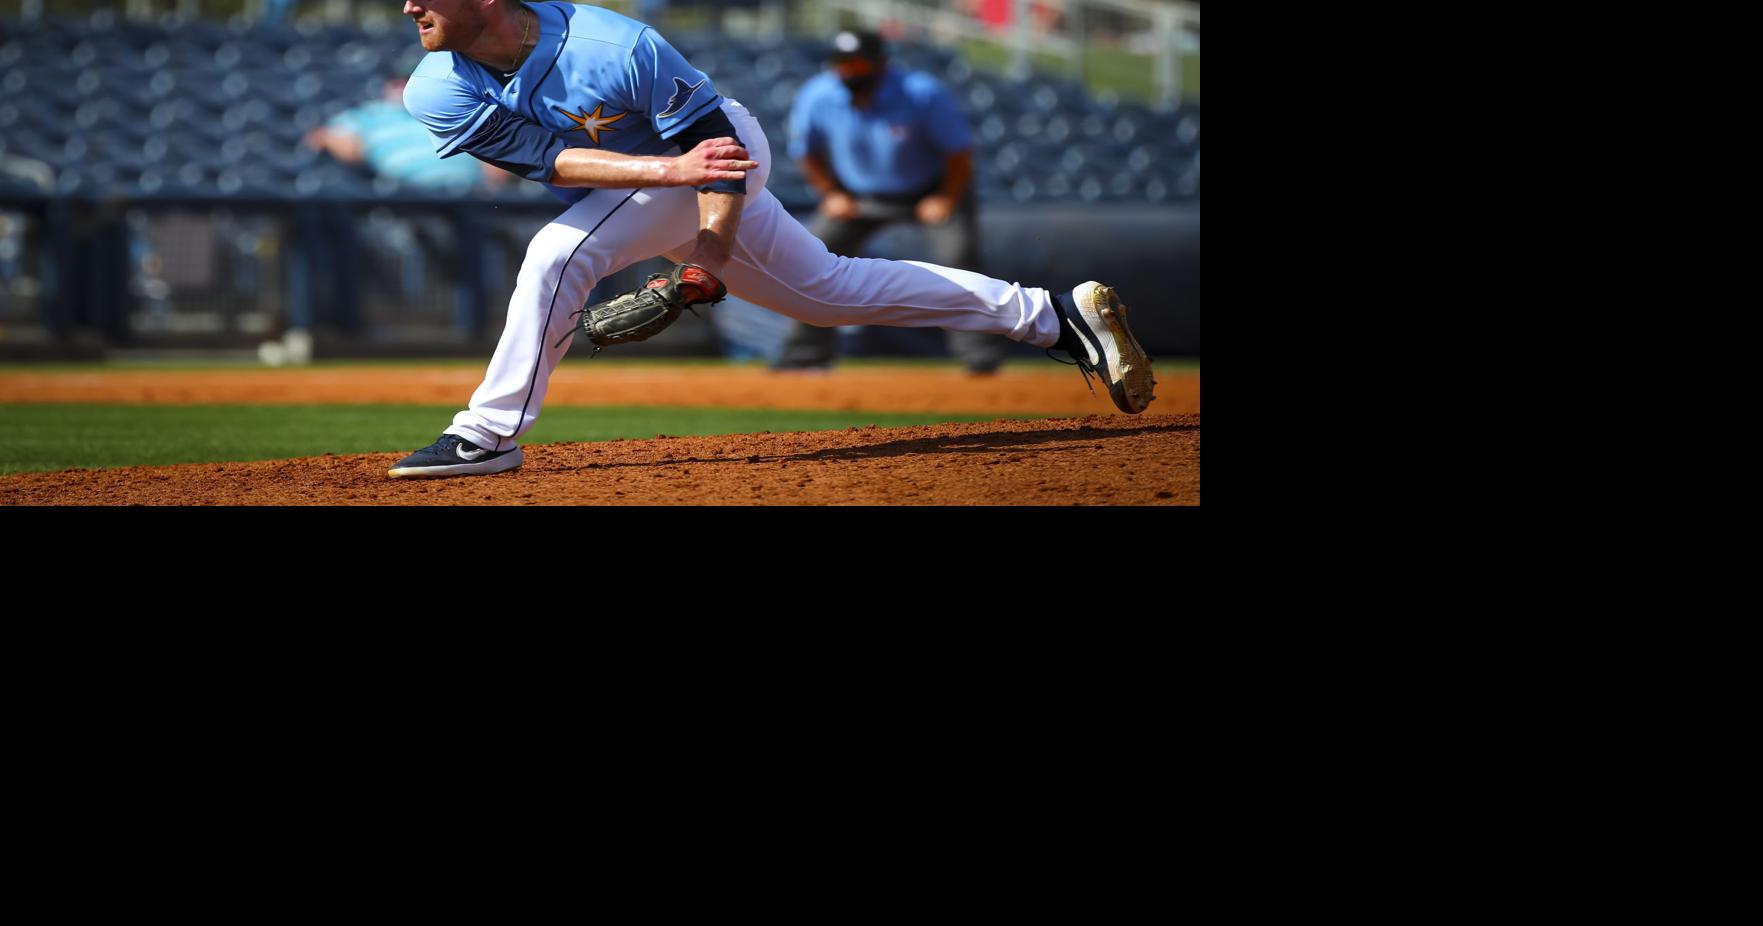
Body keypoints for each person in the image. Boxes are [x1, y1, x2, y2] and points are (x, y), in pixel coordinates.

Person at [386, 0, 1154, 479]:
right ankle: (1051, 314)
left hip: (721, 150)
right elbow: (542, 158)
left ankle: (486, 433)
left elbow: (715, 151)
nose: (409, 5)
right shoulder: (436, 83)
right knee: (826, 295)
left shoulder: (617, 47)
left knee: (558, 253)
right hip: (653, 170)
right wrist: (666, 174)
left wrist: (708, 254)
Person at [772, 29, 1005, 374]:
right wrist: (831, 194)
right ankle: (804, 355)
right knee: (810, 252)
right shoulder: (818, 94)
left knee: (959, 258)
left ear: (880, 63)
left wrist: (944, 197)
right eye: (842, 64)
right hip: (860, 196)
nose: (850, 71)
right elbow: (805, 152)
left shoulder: (920, 92)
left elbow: (959, 153)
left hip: (930, 190)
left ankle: (980, 356)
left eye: (858, 62)